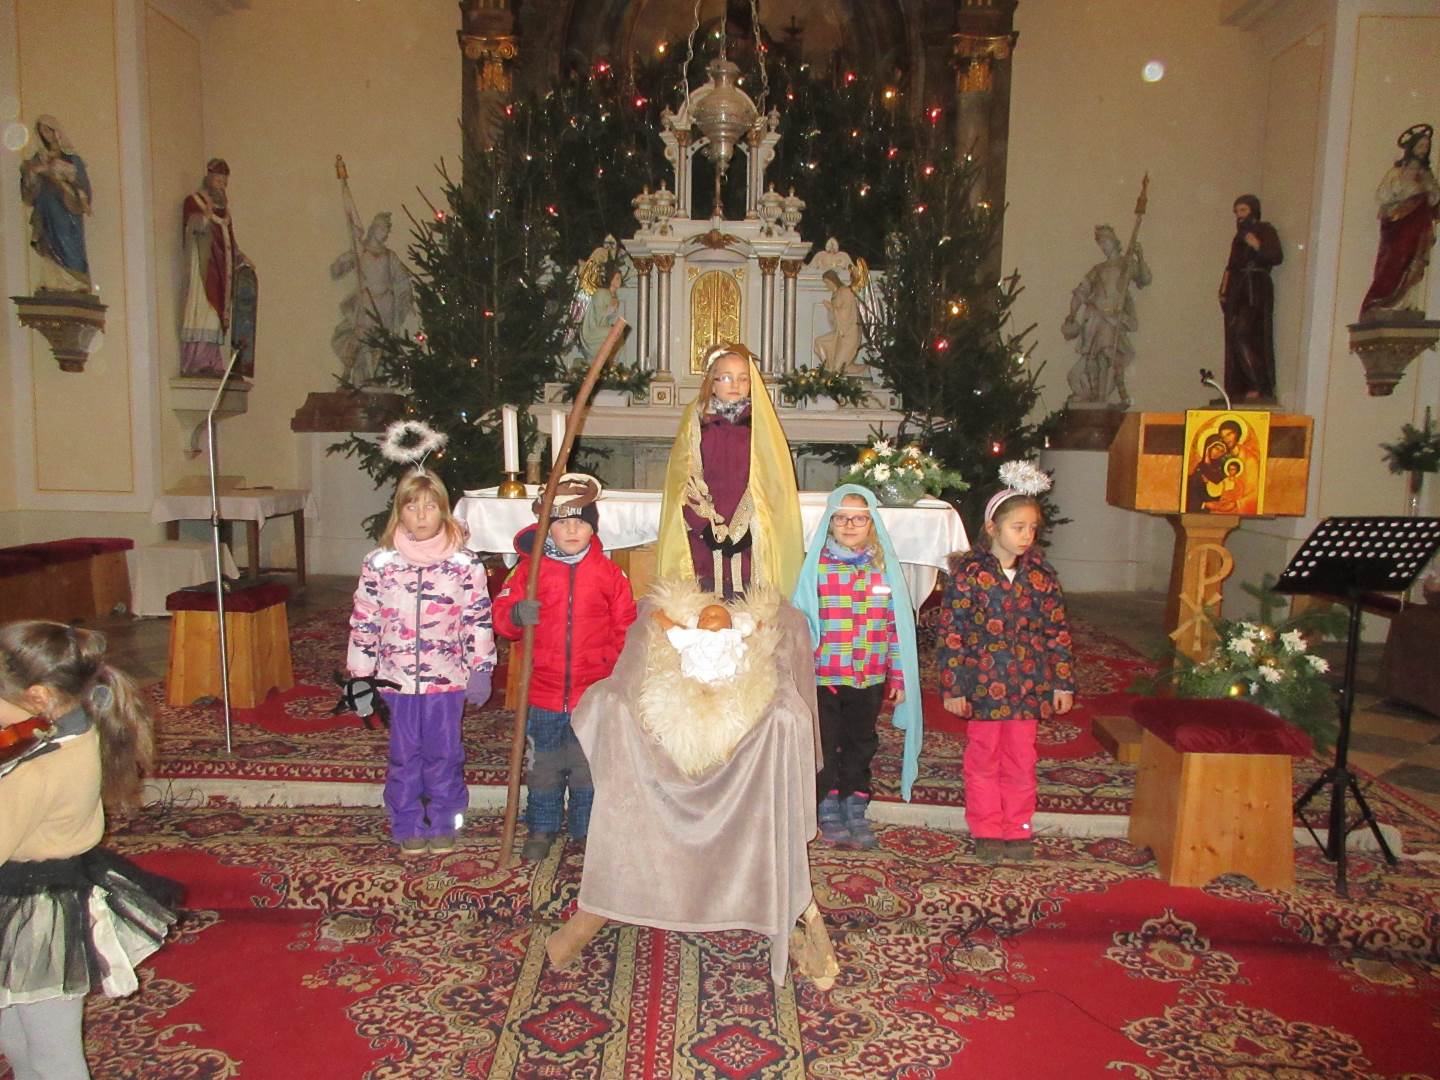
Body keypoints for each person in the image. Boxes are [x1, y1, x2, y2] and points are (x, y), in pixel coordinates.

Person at [1, 621, 179, 1080]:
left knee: (52, 1055)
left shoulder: (37, 771)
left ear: (38, 697)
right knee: (17, 1035)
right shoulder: (74, 729)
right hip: (40, 892)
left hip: (34, 914)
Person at [347, 468, 495, 856]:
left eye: (430, 506)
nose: (422, 515)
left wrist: (481, 667)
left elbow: (478, 617)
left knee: (444, 753)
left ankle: (446, 820)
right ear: (400, 511)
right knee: (404, 755)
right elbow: (365, 619)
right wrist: (361, 675)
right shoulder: (380, 563)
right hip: (396, 680)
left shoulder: (465, 564)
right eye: (412, 507)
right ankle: (407, 821)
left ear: (443, 510)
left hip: (446, 680)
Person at [491, 474, 637, 861]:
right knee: (545, 765)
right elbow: (502, 615)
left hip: (592, 692)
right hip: (542, 690)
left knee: (587, 765)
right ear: (548, 527)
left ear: (593, 528)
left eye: (581, 522)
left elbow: (626, 627)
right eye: (563, 523)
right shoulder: (529, 572)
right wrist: (516, 615)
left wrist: (617, 674)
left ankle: (587, 829)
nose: (572, 530)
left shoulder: (609, 574)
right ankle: (542, 826)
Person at [937, 462, 1076, 866]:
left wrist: (1062, 683)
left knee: (1021, 759)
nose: (1027, 535)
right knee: (983, 758)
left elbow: (1057, 632)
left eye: (1032, 528)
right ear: (993, 528)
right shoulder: (969, 575)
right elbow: (951, 634)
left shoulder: (1042, 576)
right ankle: (986, 828)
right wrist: (954, 687)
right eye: (1018, 527)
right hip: (982, 685)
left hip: (1028, 687)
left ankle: (1017, 827)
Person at [791, 485, 923, 849]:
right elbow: (801, 621)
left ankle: (855, 803)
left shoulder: (884, 570)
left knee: (861, 742)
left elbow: (896, 628)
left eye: (859, 519)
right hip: (826, 677)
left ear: (872, 524)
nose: (850, 525)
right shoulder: (816, 568)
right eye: (841, 518)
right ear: (829, 522)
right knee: (826, 742)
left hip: (869, 677)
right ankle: (827, 804)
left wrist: (898, 676)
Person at [656, 343, 804, 600]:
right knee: (705, 609)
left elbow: (771, 481)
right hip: (703, 541)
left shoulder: (760, 426)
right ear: (712, 383)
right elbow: (684, 480)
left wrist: (746, 527)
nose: (735, 384)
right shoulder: (697, 424)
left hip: (751, 539)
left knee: (749, 609)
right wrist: (705, 526)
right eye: (726, 377)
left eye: (743, 378)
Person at [1061, 224, 1152, 409]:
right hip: (1095, 319)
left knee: (1106, 355)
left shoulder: (1126, 264)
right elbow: (1080, 292)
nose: (1103, 246)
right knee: (1094, 359)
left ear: (1114, 241)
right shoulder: (1098, 269)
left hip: (1113, 319)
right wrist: (1072, 313)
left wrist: (1140, 257)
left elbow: (1145, 278)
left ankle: (1102, 398)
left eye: (1105, 241)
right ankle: (1097, 396)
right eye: (1100, 242)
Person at [180, 159, 252, 376]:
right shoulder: (195, 202)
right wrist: (204, 218)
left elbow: (230, 241)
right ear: (209, 179)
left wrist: (241, 258)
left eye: (224, 182)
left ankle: (212, 359)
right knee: (203, 311)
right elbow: (191, 229)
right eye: (218, 180)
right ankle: (197, 360)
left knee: (217, 315)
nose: (221, 185)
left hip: (221, 269)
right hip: (204, 268)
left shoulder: (225, 212)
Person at [1359, 124, 1439, 320]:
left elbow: (1434, 200)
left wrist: (1429, 191)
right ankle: (1382, 301)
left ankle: (1406, 303)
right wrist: (1406, 190)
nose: (1423, 149)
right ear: (1412, 147)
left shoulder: (1427, 175)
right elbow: (1383, 196)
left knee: (1414, 263)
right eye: (1420, 145)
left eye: (1426, 146)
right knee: (1394, 261)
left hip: (1419, 226)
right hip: (1399, 226)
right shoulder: (1397, 173)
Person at [330, 209, 413, 388]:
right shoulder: (361, 251)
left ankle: (377, 379)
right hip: (366, 303)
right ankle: (350, 375)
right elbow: (336, 272)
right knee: (361, 339)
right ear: (374, 228)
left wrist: (404, 298)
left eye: (387, 229)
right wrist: (347, 256)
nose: (385, 233)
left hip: (386, 306)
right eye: (382, 228)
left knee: (381, 344)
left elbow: (402, 280)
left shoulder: (390, 256)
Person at [1219, 194, 1283, 402]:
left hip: (1256, 287)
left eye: (1243, 210)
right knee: (1234, 336)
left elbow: (1275, 256)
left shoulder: (1265, 230)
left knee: (1244, 334)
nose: (1239, 216)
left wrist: (1256, 244)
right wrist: (1223, 289)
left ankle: (1260, 384)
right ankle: (1240, 386)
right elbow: (1231, 266)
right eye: (1237, 212)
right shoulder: (1238, 238)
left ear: (1253, 211)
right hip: (1238, 290)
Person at [18, 116, 92, 292]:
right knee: (50, 243)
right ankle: (54, 280)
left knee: (69, 242)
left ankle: (76, 280)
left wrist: (65, 181)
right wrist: (32, 173)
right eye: (42, 131)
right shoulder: (39, 159)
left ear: (56, 131)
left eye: (48, 130)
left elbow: (84, 189)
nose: (46, 134)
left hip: (67, 210)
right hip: (46, 209)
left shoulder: (72, 159)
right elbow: (29, 191)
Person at [814, 269, 864, 374]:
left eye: (827, 283)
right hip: (839, 332)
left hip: (849, 333)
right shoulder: (836, 293)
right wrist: (831, 309)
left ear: (833, 280)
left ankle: (864, 369)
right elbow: (835, 318)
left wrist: (832, 308)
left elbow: (847, 312)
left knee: (839, 368)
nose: (827, 286)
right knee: (819, 343)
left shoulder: (846, 291)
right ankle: (827, 368)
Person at [578, 266, 624, 361]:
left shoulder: (613, 295)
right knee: (616, 333)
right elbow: (599, 316)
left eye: (620, 278)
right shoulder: (601, 293)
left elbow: (608, 319)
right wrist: (611, 309)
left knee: (620, 333)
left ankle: (610, 363)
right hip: (592, 329)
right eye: (617, 278)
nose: (619, 281)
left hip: (601, 326)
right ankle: (606, 363)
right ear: (611, 279)